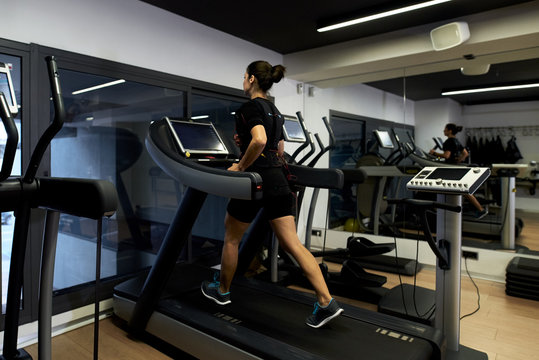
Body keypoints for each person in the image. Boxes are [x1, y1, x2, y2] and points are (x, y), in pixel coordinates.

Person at [201, 60, 343, 328]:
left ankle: (222, 292)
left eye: (244, 76)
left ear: (252, 79)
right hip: (278, 181)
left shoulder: (250, 107)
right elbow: (278, 150)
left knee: (231, 238)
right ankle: (326, 302)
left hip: (256, 181)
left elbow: (260, 140)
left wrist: (241, 165)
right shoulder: (275, 111)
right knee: (294, 244)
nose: (243, 81)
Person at [429, 123, 488, 219]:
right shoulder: (456, 141)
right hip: (456, 167)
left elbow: (446, 156)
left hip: (450, 168)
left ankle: (480, 209)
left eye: (445, 129)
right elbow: (465, 153)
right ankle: (480, 209)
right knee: (462, 190)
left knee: (457, 190)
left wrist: (434, 153)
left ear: (450, 131)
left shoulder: (448, 142)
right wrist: (458, 160)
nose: (444, 131)